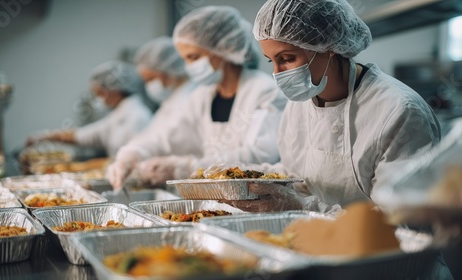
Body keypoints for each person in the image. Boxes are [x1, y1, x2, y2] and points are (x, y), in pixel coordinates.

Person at [225, 0, 441, 213]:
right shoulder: (300, 103)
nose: (278, 73)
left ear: (327, 46)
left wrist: (301, 206)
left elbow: (398, 218)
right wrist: (243, 178)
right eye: (271, 61)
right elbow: (296, 175)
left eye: (287, 58)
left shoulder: (399, 111)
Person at [107, 6, 287, 189]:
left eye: (194, 57)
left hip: (255, 198)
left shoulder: (264, 90)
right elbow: (168, 136)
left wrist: (190, 166)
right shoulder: (202, 96)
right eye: (185, 59)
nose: (188, 67)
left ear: (224, 48)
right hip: (214, 197)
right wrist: (133, 152)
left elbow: (261, 154)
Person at [26, 60, 153, 157]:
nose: (97, 99)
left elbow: (139, 157)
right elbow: (83, 135)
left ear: (114, 90)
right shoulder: (118, 115)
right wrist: (45, 136)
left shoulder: (138, 116)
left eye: (99, 93)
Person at [134, 36, 196, 133]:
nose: (149, 85)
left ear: (169, 72)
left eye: (151, 79)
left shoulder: (191, 99)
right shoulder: (170, 100)